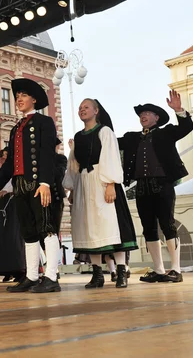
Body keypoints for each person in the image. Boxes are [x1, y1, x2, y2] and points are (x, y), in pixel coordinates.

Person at [0, 78, 60, 293]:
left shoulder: (44, 122)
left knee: (47, 228)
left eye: (24, 95)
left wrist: (45, 182)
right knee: (28, 232)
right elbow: (11, 161)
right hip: (19, 186)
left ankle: (52, 276)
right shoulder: (17, 127)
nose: (19, 98)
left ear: (34, 100)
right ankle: (31, 276)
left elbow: (47, 154)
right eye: (17, 96)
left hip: (39, 184)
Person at [117, 91, 193, 283]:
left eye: (147, 113)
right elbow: (112, 142)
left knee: (168, 225)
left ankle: (175, 269)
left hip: (163, 184)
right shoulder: (132, 137)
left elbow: (186, 127)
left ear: (156, 118)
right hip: (142, 187)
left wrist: (178, 110)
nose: (143, 116)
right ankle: (159, 270)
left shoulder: (166, 132)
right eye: (141, 114)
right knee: (148, 228)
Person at [63, 99, 138, 289]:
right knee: (89, 228)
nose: (82, 110)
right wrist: (72, 188)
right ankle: (97, 274)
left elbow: (111, 157)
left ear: (96, 111)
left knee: (110, 226)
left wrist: (111, 183)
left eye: (86, 107)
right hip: (84, 184)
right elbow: (74, 163)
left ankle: (121, 271)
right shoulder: (78, 137)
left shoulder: (104, 132)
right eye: (80, 108)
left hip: (102, 181)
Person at [0, 148, 25, 283]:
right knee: (3, 240)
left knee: (14, 238)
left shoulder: (17, 169)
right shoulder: (2, 173)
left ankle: (19, 269)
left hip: (13, 204)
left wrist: (7, 192)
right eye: (3, 157)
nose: (4, 159)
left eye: (6, 156)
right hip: (2, 206)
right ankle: (7, 269)